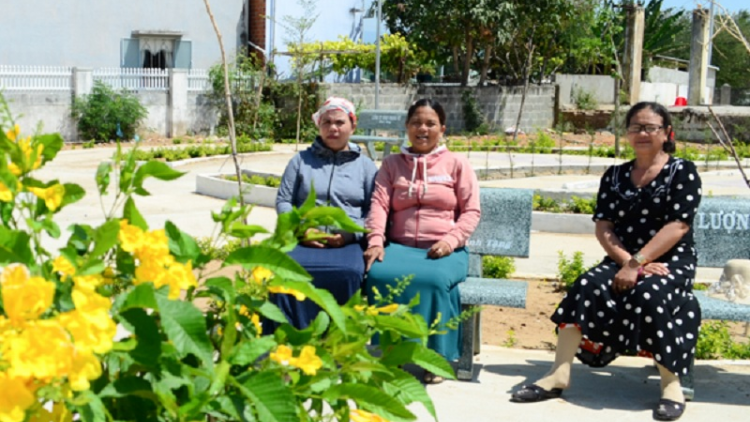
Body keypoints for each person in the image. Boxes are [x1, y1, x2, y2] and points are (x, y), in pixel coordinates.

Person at [510, 102, 702, 422]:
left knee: (650, 294)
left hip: (670, 261)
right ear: (626, 133)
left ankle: (671, 386)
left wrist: (639, 262)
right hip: (621, 259)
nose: (642, 133)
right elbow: (604, 227)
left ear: (667, 133)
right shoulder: (614, 176)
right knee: (586, 285)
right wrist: (630, 262)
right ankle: (558, 374)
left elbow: (678, 226)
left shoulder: (682, 172)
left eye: (650, 127)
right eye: (635, 127)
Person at [364, 99, 481, 384]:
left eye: (430, 123)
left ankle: (435, 357)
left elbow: (471, 211)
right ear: (407, 127)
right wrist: (376, 241)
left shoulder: (457, 164)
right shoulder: (392, 164)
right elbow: (379, 205)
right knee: (379, 273)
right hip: (399, 247)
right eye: (416, 122)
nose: (422, 129)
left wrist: (451, 241)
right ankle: (394, 352)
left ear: (442, 129)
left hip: (443, 250)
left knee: (432, 281)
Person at [274, 97, 378, 329]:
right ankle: (289, 339)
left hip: (346, 243)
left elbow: (375, 209)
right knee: (284, 273)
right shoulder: (300, 161)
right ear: (318, 125)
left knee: (349, 272)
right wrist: (301, 229)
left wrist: (352, 234)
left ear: (353, 125)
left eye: (340, 122)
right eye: (326, 122)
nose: (333, 128)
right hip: (303, 240)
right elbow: (283, 201)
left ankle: (339, 339)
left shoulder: (365, 166)